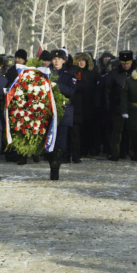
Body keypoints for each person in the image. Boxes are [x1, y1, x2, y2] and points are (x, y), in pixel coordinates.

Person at [47, 49, 77, 179]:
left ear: (64, 60)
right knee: (48, 140)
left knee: (61, 139)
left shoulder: (69, 75)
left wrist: (56, 86)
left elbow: (71, 91)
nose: (56, 61)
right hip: (48, 109)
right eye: (54, 59)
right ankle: (51, 161)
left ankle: (56, 165)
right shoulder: (46, 73)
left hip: (64, 110)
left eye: (59, 59)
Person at [105, 50, 133, 161]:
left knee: (131, 131)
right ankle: (115, 153)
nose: (126, 65)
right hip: (117, 106)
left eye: (128, 63)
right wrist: (108, 107)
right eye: (124, 63)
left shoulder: (135, 73)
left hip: (132, 106)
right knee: (116, 132)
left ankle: (130, 152)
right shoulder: (114, 74)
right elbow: (108, 91)